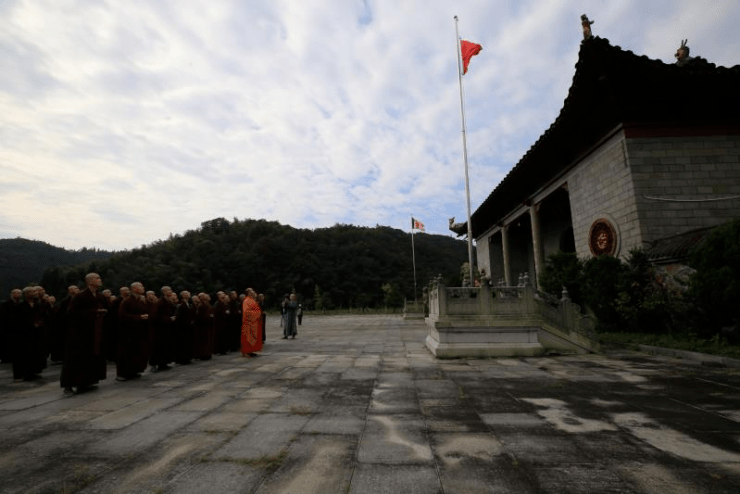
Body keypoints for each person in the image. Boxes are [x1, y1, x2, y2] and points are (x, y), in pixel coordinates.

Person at [60, 273, 108, 395]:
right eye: (97, 278)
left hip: (95, 332)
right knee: (76, 359)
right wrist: (94, 312)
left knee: (91, 358)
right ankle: (68, 385)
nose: (99, 280)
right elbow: (71, 313)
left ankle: (87, 381)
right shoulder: (80, 296)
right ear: (89, 281)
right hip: (80, 333)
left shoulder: (99, 296)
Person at [12, 286, 48, 381]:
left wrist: (40, 323)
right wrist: (31, 324)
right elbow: (17, 321)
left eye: (35, 291)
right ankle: (24, 374)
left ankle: (33, 372)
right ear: (26, 294)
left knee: (35, 353)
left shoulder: (38, 305)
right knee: (25, 354)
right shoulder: (20, 306)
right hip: (25, 334)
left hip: (37, 333)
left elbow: (44, 316)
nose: (35, 293)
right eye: (32, 292)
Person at [116, 282, 150, 381]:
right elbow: (122, 316)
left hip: (139, 331)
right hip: (128, 332)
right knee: (127, 353)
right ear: (134, 289)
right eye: (141, 286)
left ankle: (134, 371)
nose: (143, 287)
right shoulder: (127, 301)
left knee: (137, 352)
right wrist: (139, 317)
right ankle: (122, 374)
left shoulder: (141, 300)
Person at [0, 288, 23, 363]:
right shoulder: (6, 304)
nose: (19, 295)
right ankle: (6, 357)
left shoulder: (20, 304)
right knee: (7, 343)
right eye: (17, 293)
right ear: (12, 294)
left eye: (20, 293)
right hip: (8, 327)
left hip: (17, 327)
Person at [174, 291, 195, 365]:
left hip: (188, 327)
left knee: (187, 343)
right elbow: (180, 317)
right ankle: (182, 359)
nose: (188, 294)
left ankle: (187, 357)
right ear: (183, 295)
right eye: (186, 293)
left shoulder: (189, 304)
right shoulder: (181, 305)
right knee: (183, 344)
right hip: (183, 328)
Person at [241, 288, 262, 357]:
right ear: (249, 293)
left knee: (252, 338)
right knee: (248, 338)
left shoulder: (252, 300)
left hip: (253, 322)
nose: (253, 292)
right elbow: (246, 312)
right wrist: (257, 314)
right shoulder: (247, 300)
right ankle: (246, 351)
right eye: (252, 291)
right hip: (249, 323)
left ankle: (251, 350)